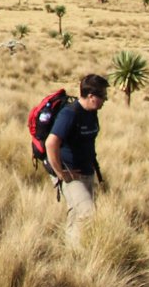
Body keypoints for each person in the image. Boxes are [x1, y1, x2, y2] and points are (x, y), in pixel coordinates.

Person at [44, 73, 109, 244]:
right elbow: (51, 143)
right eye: (102, 96)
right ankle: (77, 252)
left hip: (87, 172)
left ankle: (72, 255)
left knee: (76, 215)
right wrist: (60, 173)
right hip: (71, 175)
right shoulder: (70, 114)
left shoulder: (92, 113)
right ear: (91, 96)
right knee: (88, 213)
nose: (105, 100)